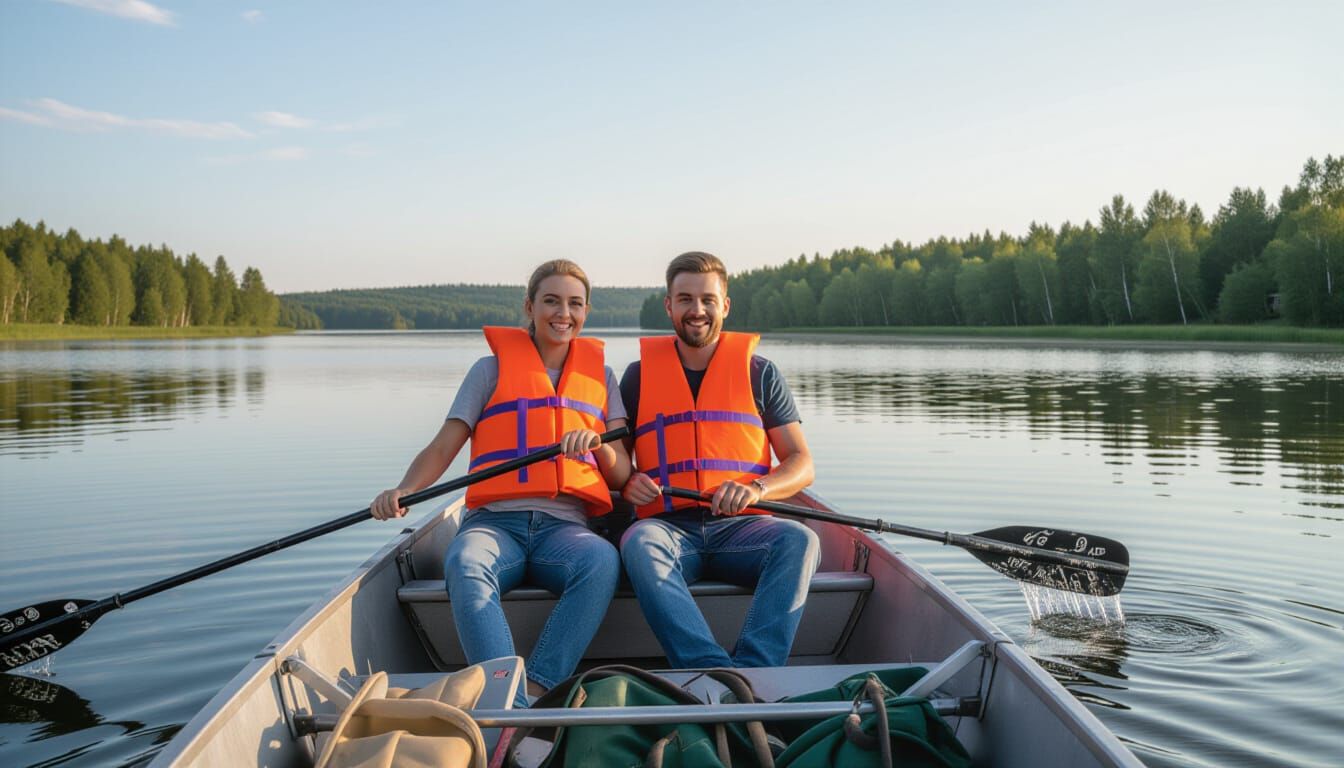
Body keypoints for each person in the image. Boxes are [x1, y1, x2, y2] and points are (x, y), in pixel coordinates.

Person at [371, 259, 630, 705]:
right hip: (494, 524)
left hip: (564, 528)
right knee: (466, 563)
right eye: (551, 301)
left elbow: (622, 472)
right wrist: (403, 490)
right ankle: (504, 699)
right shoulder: (488, 371)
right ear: (529, 306)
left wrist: (599, 444)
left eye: (574, 303)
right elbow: (442, 447)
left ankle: (536, 688)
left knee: (602, 561)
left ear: (586, 312)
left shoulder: (602, 377)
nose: (562, 313)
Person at [619, 251, 820, 669]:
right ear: (669, 305)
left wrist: (756, 488)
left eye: (708, 300)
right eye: (686, 299)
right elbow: (616, 463)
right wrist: (627, 481)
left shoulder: (760, 373)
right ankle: (712, 671)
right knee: (638, 542)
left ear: (725, 306)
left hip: (743, 531)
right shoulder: (637, 377)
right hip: (667, 531)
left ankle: (756, 671)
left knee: (801, 540)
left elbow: (801, 463)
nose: (697, 310)